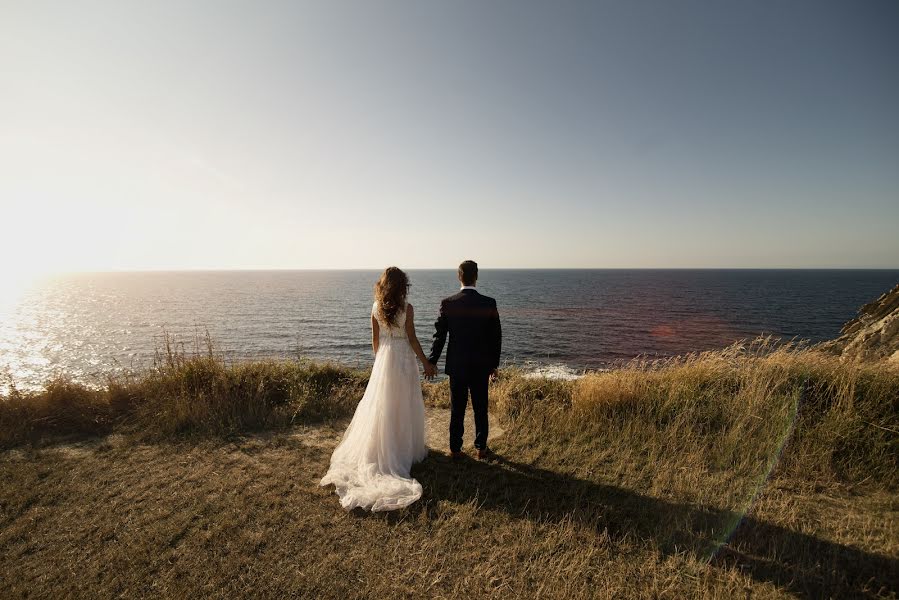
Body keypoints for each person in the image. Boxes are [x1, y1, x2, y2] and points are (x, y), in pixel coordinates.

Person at [320, 267, 436, 511]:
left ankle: (385, 446)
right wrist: (425, 362)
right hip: (403, 358)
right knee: (403, 403)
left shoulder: (375, 308)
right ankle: (403, 448)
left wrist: (380, 365)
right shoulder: (408, 309)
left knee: (383, 405)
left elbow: (375, 341)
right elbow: (412, 338)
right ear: (402, 285)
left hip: (384, 360)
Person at [427, 260, 502, 460]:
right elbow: (496, 337)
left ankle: (455, 449)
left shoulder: (448, 303)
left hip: (457, 365)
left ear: (459, 276)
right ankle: (481, 449)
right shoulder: (489, 303)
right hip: (481, 365)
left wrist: (432, 361)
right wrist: (494, 365)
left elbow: (440, 336)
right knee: (480, 408)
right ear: (476, 276)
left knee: (457, 409)